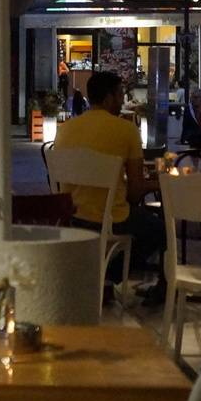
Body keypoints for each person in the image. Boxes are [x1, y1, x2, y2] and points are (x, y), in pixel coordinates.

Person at [52, 71, 165, 301]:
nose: (123, 100)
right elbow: (134, 191)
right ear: (108, 98)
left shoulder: (65, 129)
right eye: (120, 94)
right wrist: (158, 183)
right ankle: (109, 277)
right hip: (111, 218)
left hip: (71, 215)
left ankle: (98, 278)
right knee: (160, 231)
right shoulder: (126, 130)